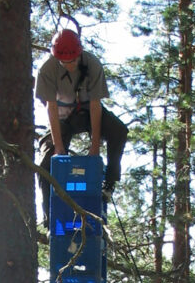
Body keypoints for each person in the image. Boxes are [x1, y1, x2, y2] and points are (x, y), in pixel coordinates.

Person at [35, 28, 128, 213]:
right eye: (65, 62)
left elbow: (95, 106)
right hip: (62, 117)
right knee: (46, 161)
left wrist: (95, 148)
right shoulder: (47, 70)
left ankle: (108, 183)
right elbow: (51, 108)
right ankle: (49, 213)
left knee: (119, 131)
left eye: (74, 61)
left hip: (87, 112)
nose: (70, 65)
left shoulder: (92, 64)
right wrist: (59, 148)